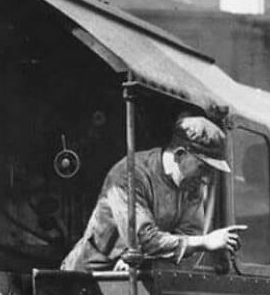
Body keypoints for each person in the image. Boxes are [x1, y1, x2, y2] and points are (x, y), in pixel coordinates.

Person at [61, 115, 245, 272]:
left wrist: (144, 262)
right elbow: (144, 240)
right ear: (180, 155)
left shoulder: (191, 186)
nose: (206, 179)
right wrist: (205, 242)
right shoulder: (129, 175)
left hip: (132, 275)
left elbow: (188, 236)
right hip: (86, 277)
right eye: (203, 168)